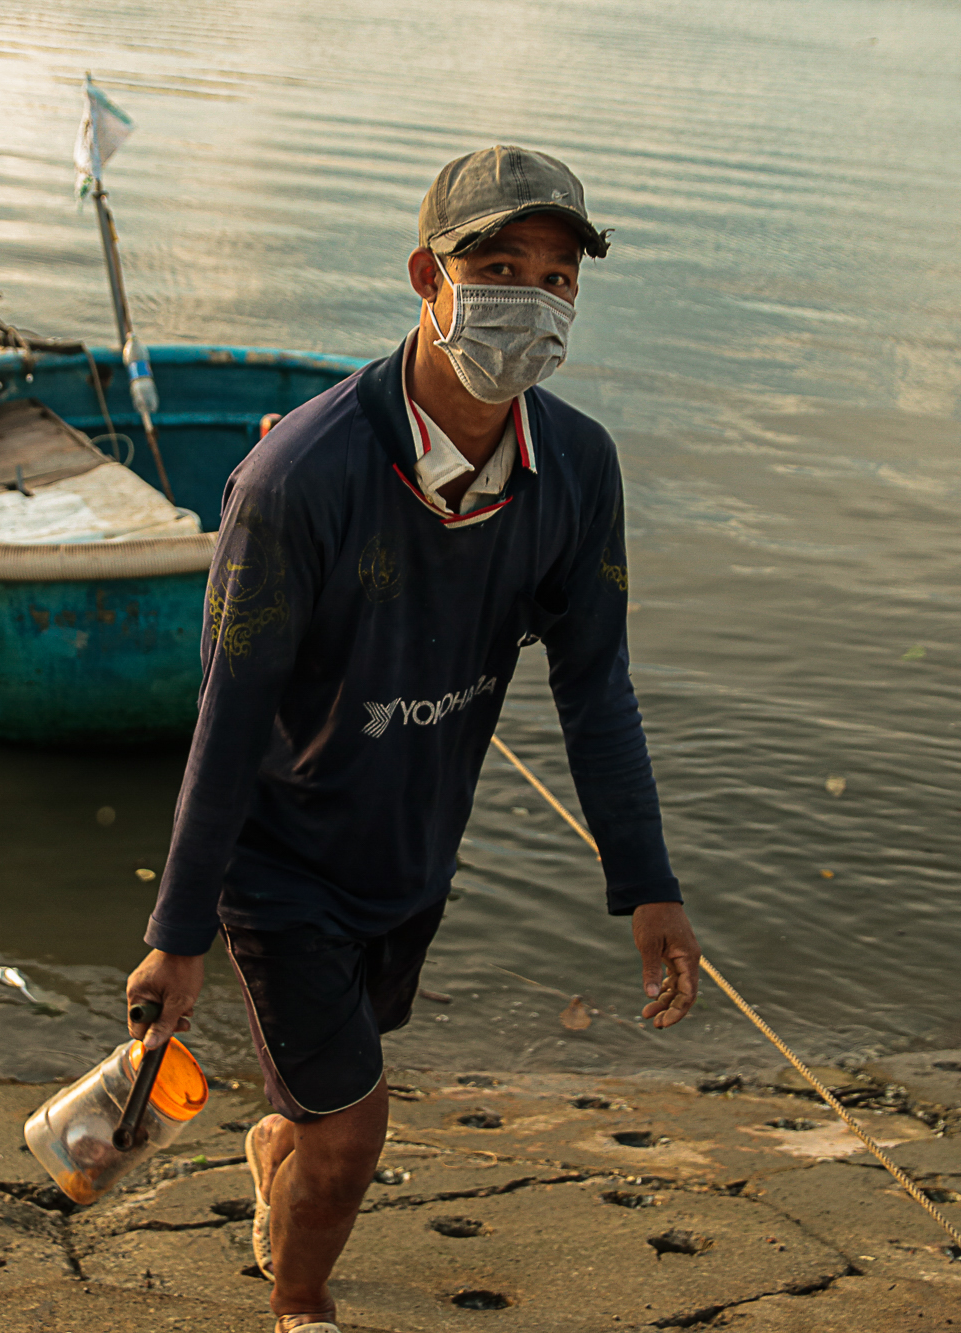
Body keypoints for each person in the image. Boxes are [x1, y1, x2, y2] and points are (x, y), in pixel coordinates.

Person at [125, 145, 700, 1333]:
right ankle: (298, 1303)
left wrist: (643, 881)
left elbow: (596, 688)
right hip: (277, 863)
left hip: (410, 855)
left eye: (554, 278)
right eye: (495, 267)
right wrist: (176, 936)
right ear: (424, 278)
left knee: (315, 1102)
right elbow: (227, 721)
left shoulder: (575, 467)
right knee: (354, 1127)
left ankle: (274, 1150)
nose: (528, 301)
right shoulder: (297, 478)